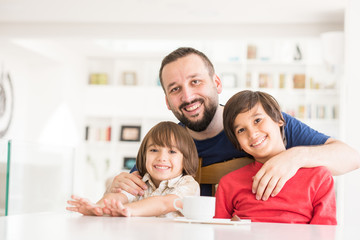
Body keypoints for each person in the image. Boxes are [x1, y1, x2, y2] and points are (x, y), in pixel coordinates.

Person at [108, 47, 360, 198]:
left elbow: (350, 157)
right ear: (167, 101)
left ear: (217, 83)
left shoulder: (263, 125)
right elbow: (131, 198)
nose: (187, 96)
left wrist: (294, 157)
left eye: (196, 81)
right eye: (175, 89)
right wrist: (118, 186)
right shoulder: (165, 144)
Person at [215, 90, 336, 225]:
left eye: (257, 120)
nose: (252, 133)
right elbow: (218, 232)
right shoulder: (228, 184)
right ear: (237, 142)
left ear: (279, 119)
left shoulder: (319, 177)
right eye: (241, 130)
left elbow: (325, 233)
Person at [66, 121, 200, 218]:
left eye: (172, 151)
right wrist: (98, 208)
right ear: (144, 154)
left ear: (186, 158)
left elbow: (164, 203)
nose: (162, 158)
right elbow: (119, 197)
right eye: (154, 150)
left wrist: (127, 209)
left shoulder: (188, 184)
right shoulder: (139, 180)